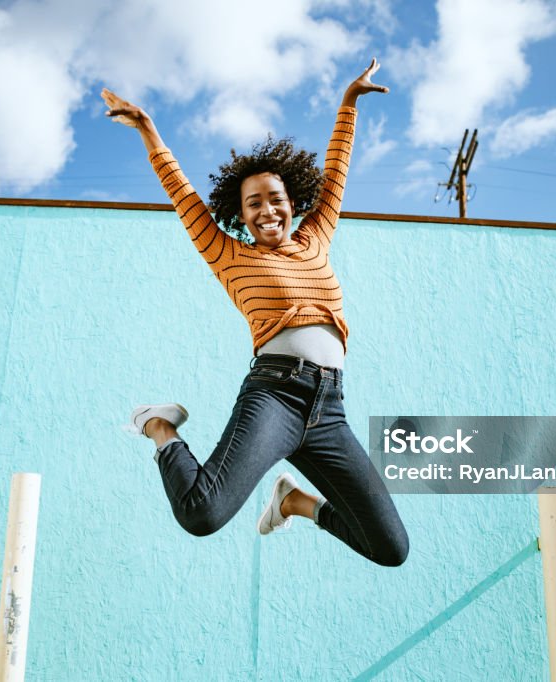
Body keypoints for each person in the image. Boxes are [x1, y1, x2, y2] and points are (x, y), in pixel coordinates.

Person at [103, 59, 408, 567]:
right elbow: (182, 196)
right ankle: (158, 427)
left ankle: (296, 504)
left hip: (330, 409)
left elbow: (335, 173)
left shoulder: (315, 239)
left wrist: (349, 102)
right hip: (276, 396)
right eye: (254, 204)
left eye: (276, 199)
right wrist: (148, 131)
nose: (267, 210)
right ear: (239, 213)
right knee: (201, 513)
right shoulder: (230, 255)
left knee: (390, 547)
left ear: (292, 202)